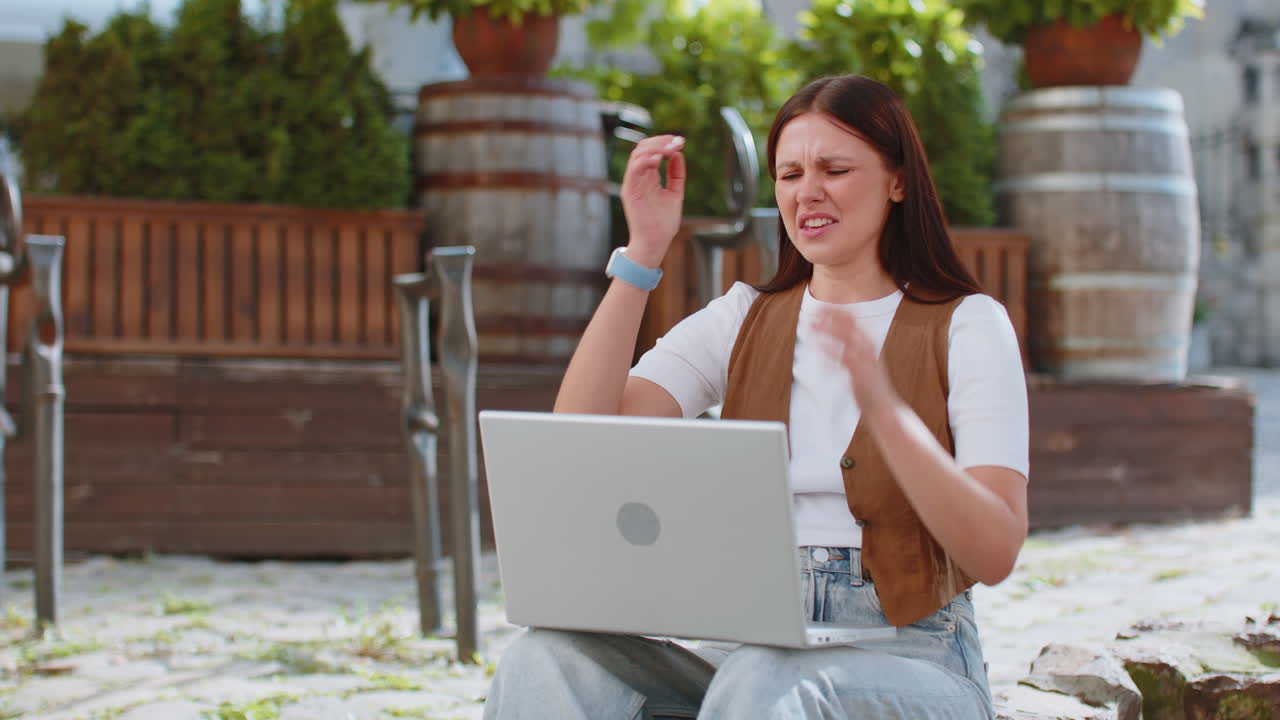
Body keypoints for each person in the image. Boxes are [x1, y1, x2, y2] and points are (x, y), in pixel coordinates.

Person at [483, 74, 1029, 720]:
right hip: (744, 652)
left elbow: (996, 549)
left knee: (765, 677)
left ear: (898, 181)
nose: (808, 191)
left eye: (834, 169)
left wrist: (886, 413)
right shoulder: (743, 318)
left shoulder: (969, 325)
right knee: (543, 659)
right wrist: (644, 252)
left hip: (914, 656)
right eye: (790, 174)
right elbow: (581, 436)